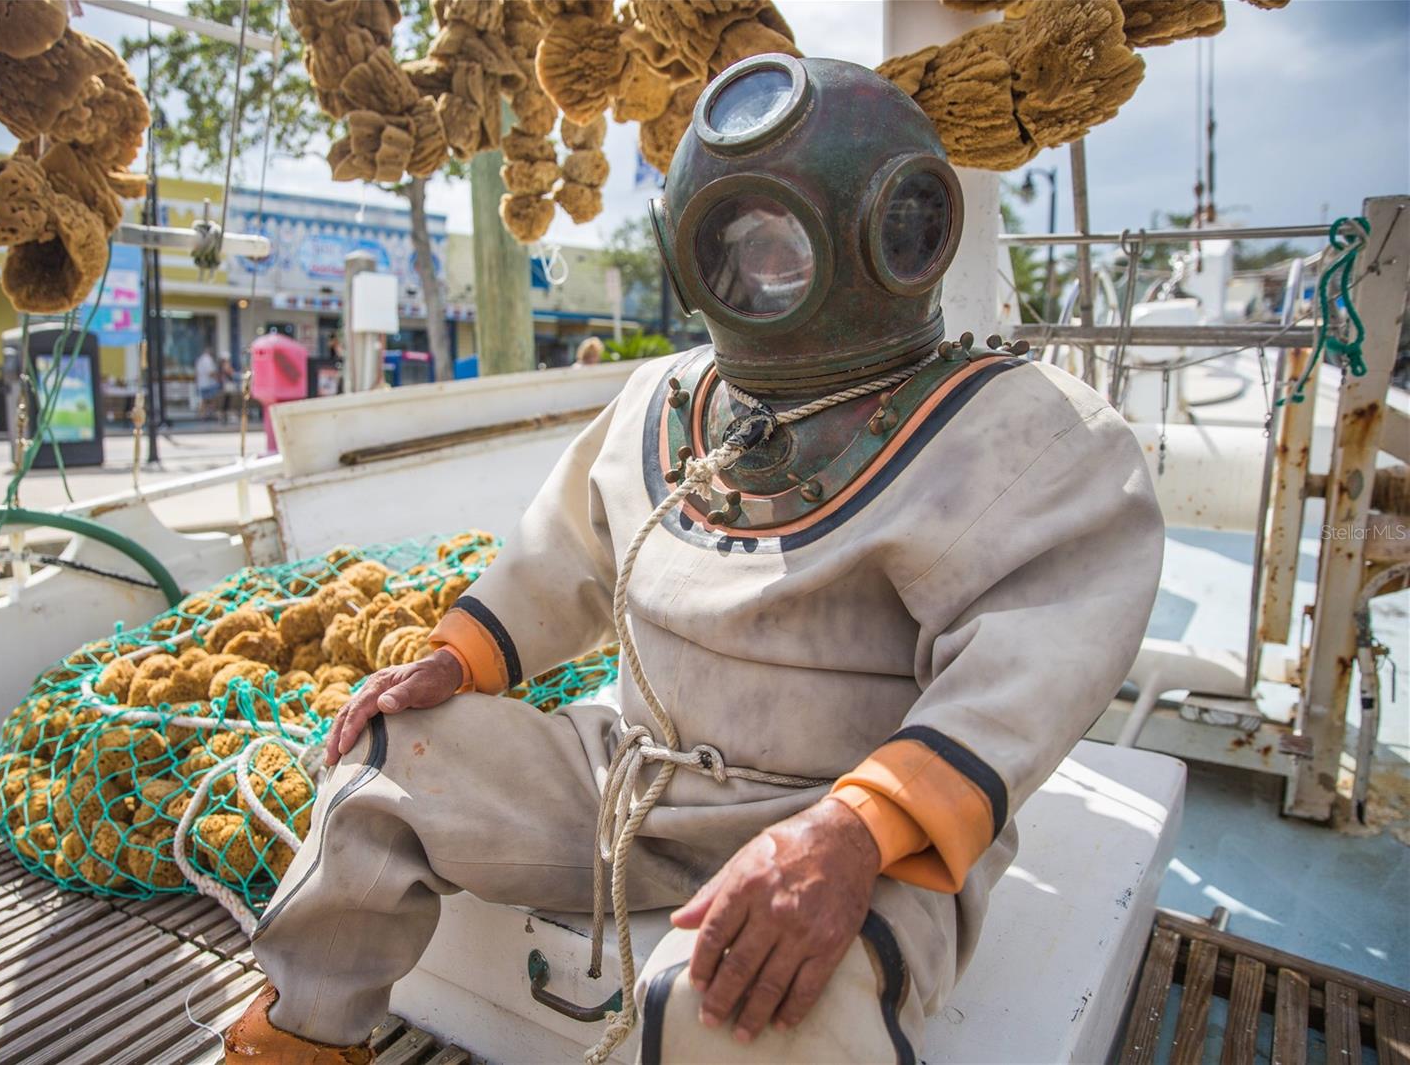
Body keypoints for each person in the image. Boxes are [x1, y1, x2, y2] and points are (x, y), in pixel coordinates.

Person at [230, 57, 1163, 1064]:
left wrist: (852, 831)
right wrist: (455, 660)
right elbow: (563, 559)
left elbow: (1025, 671)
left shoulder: (1024, 434)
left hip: (857, 833)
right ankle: (301, 1038)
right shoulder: (669, 398)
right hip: (633, 783)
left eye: (784, 242)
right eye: (740, 244)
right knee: (381, 771)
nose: (763, 269)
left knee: (729, 1004)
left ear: (906, 228)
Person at [196, 348, 220, 421]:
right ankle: (208, 415)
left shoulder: (200, 359)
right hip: (208, 383)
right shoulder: (207, 359)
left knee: (205, 400)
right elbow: (210, 372)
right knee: (211, 400)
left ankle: (203, 415)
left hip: (202, 383)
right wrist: (217, 378)